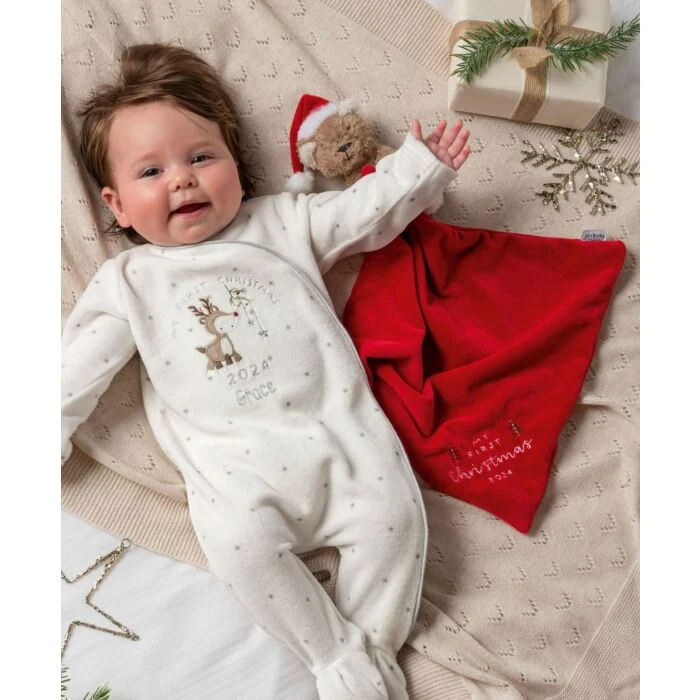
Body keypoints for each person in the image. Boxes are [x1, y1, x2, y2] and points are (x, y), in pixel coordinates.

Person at [62, 43, 471, 700]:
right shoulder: (130, 282)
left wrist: (418, 170)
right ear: (116, 206)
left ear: (234, 163)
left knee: (394, 523)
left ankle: (360, 666)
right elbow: (75, 371)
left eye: (201, 157)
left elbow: (360, 214)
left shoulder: (282, 222)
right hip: (235, 475)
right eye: (151, 171)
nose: (182, 180)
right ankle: (334, 657)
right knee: (240, 549)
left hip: (341, 443)